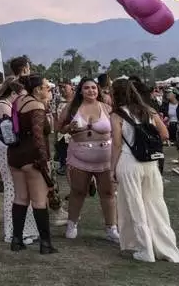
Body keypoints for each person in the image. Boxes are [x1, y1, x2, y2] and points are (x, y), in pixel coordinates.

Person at [110, 78, 179, 263]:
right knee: (155, 204)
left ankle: (144, 249)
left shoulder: (117, 115)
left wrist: (112, 168)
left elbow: (117, 145)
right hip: (150, 163)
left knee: (134, 206)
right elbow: (165, 134)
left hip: (128, 162)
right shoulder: (148, 110)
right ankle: (166, 248)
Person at [57, 78, 118, 242]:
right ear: (81, 90)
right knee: (78, 191)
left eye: (93, 88)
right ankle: (72, 224)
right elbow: (59, 127)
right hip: (79, 156)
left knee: (108, 193)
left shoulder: (106, 108)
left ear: (98, 90)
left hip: (105, 157)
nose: (91, 91)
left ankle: (111, 228)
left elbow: (117, 129)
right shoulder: (72, 107)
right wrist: (69, 128)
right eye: (86, 88)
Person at [7, 75, 56, 254]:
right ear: (37, 90)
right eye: (46, 87)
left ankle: (17, 239)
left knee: (20, 198)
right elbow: (38, 136)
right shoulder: (36, 106)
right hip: (32, 157)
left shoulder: (18, 101)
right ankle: (45, 243)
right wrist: (44, 162)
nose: (48, 90)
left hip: (15, 154)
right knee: (39, 200)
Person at [0, 79, 38, 246]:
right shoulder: (4, 106)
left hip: (8, 147)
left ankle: (25, 228)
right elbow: (10, 132)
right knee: (12, 188)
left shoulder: (5, 105)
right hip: (7, 147)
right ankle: (13, 231)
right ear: (14, 94)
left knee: (19, 189)